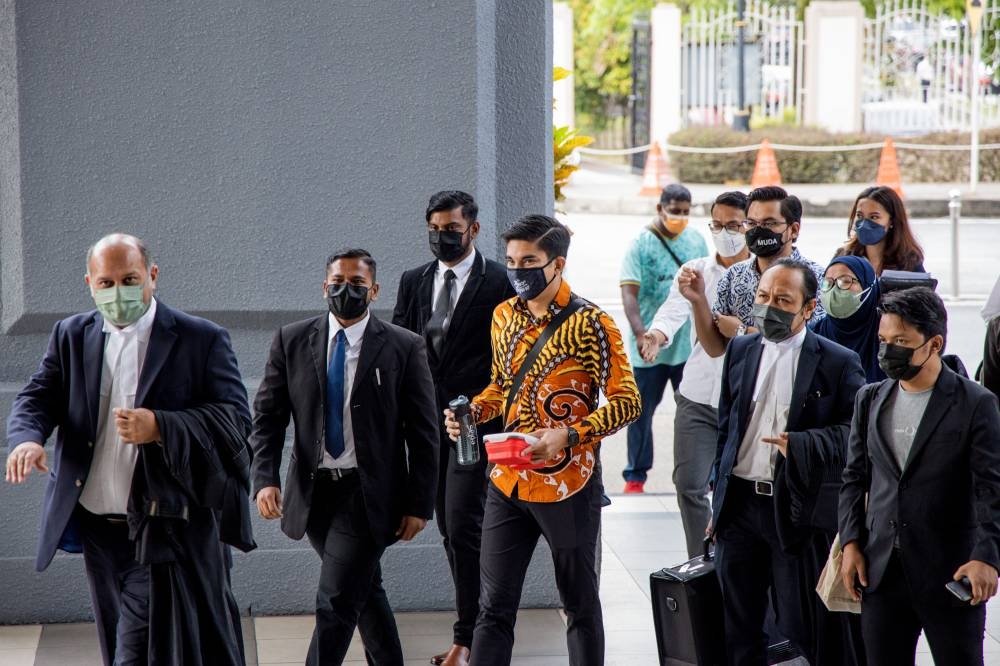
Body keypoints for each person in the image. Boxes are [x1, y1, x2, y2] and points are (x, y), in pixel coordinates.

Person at [5, 234, 252, 665]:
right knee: (118, 637)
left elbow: (235, 420)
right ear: (90, 284)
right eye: (106, 283)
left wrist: (162, 425)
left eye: (130, 279)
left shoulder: (200, 338)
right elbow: (38, 396)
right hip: (98, 526)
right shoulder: (72, 334)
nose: (118, 293)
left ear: (152, 276)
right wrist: (27, 439)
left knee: (135, 651)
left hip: (163, 524)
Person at [445, 214, 640, 666]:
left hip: (568, 485)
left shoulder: (592, 323)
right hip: (507, 479)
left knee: (580, 607)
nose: (517, 271)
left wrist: (570, 435)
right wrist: (473, 412)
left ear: (557, 264)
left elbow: (627, 401)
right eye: (512, 261)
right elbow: (500, 386)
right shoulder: (503, 316)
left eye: (529, 261)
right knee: (492, 610)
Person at [250, 249, 439, 666]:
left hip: (369, 495)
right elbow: (267, 417)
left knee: (335, 599)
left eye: (356, 283)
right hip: (314, 494)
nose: (345, 290)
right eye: (337, 282)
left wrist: (419, 503)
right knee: (364, 592)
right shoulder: (292, 340)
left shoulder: (404, 347)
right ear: (324, 287)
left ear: (374, 290)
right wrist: (264, 477)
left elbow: (424, 432)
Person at [710, 258, 866, 665]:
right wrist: (718, 500)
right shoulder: (741, 349)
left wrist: (800, 443)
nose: (769, 307)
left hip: (794, 509)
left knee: (801, 623)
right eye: (763, 297)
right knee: (738, 625)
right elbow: (726, 429)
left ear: (809, 308)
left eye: (783, 300)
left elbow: (855, 432)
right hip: (739, 505)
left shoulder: (836, 361)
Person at [840, 286, 1000, 665]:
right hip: (880, 571)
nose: (887, 350)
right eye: (882, 340)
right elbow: (853, 478)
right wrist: (850, 544)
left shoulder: (976, 403)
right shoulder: (870, 398)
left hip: (950, 572)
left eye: (900, 341)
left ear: (934, 343)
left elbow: (991, 489)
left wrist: (987, 558)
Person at [391, 191, 514, 666]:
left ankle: (471, 638)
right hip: (424, 427)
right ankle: (477, 629)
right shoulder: (414, 281)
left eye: (451, 229)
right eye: (434, 229)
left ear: (474, 230)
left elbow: (508, 363)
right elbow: (401, 349)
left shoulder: (500, 282)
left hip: (474, 425)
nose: (441, 238)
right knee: (447, 527)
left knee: (463, 526)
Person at [640, 190, 750, 556]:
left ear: (750, 225)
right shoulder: (696, 270)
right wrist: (656, 335)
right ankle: (700, 563)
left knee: (739, 488)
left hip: (746, 400)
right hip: (698, 395)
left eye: (733, 224)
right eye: (717, 224)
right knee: (689, 484)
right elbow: (673, 310)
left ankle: (734, 561)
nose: (725, 232)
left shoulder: (765, 273)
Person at [619, 183, 708, 493]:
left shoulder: (696, 240)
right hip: (648, 347)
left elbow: (704, 291)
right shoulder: (641, 245)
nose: (680, 217)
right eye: (674, 211)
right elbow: (629, 295)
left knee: (696, 411)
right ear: (660, 209)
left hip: (688, 347)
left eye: (685, 212)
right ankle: (635, 476)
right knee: (640, 412)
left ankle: (702, 475)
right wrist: (642, 334)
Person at [679, 185, 826, 360]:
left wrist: (742, 331)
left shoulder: (817, 278)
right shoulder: (734, 276)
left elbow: (812, 347)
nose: (758, 230)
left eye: (769, 223)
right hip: (744, 384)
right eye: (752, 223)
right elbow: (715, 349)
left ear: (793, 230)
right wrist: (698, 300)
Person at [810, 255, 885, 383]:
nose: (834, 290)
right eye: (828, 283)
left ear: (869, 287)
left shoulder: (886, 336)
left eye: (845, 281)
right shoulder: (812, 334)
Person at [835, 185, 925, 275]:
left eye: (874, 217)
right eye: (859, 216)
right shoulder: (844, 257)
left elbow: (923, 288)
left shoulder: (909, 262)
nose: (864, 224)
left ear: (892, 221)